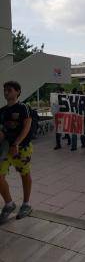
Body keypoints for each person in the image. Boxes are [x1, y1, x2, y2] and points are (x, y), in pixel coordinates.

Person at [0, 81, 33, 223]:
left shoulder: (23, 107)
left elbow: (27, 126)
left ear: (18, 92)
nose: (6, 92)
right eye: (5, 90)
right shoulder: (1, 111)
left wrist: (17, 143)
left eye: (9, 90)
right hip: (6, 148)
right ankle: (9, 204)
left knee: (24, 174)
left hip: (22, 147)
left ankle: (26, 204)